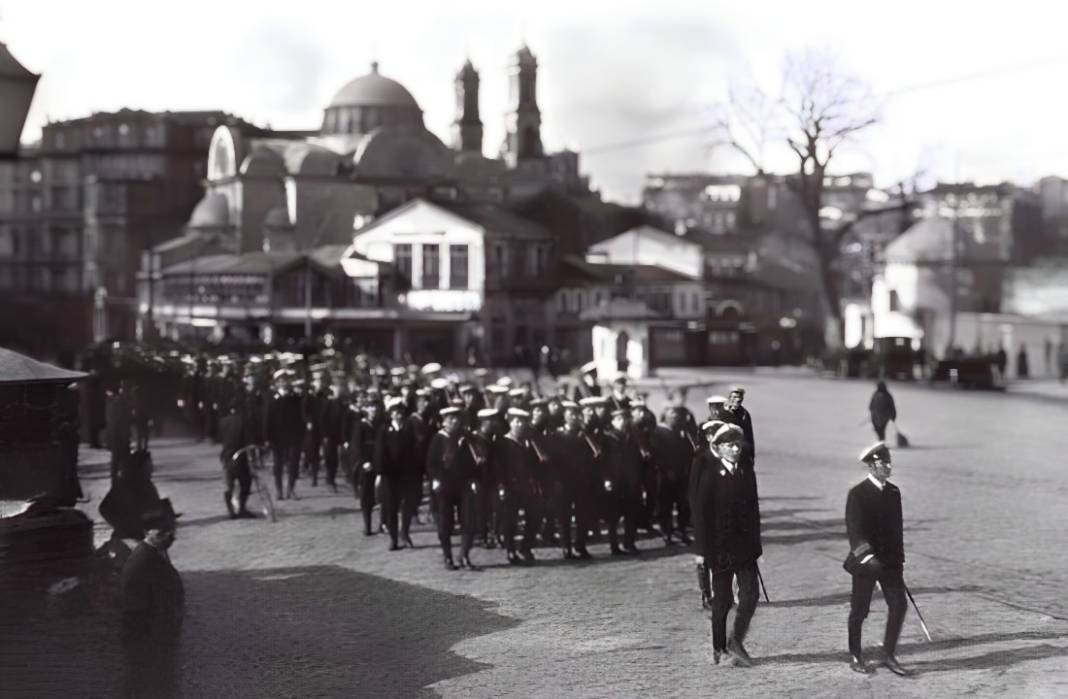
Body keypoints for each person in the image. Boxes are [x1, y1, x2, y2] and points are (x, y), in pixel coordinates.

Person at [690, 423, 762, 667]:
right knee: (723, 600)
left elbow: (754, 511)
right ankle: (718, 647)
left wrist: (756, 546)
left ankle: (736, 640)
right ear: (718, 448)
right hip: (719, 549)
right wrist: (701, 551)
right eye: (729, 445)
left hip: (745, 549)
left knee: (751, 595)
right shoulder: (710, 475)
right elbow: (701, 514)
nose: (735, 448)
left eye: (737, 444)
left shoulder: (746, 472)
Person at [844, 442, 911, 676]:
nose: (889, 467)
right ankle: (855, 655)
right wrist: (868, 556)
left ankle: (888, 654)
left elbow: (897, 530)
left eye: (889, 462)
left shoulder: (894, 492)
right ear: (872, 466)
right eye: (884, 463)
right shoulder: (858, 494)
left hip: (890, 563)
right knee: (859, 611)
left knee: (899, 605)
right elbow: (854, 531)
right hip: (867, 563)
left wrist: (898, 562)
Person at [119, 525, 184, 697]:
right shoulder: (144, 558)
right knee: (145, 676)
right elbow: (137, 600)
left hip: (152, 625)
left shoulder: (152, 552)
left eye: (170, 532)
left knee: (145, 675)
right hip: (148, 628)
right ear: (147, 533)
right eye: (162, 532)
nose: (169, 536)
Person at [425, 407, 479, 570]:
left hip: (464, 485)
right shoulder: (438, 439)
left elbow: (474, 460)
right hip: (445, 487)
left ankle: (464, 555)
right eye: (450, 419)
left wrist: (474, 478)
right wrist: (436, 479)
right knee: (445, 523)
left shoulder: (467, 438)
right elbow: (431, 464)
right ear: (443, 422)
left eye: (456, 419)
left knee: (468, 521)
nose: (454, 422)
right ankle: (447, 556)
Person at [219, 399, 255, 519]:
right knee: (245, 483)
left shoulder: (223, 421)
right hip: (240, 456)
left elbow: (221, 438)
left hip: (226, 457)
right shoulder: (244, 421)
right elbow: (248, 440)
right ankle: (242, 509)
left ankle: (230, 511)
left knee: (229, 484)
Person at [721, 387, 755, 463]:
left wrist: (751, 456)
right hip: (723, 448)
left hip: (738, 449)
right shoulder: (722, 411)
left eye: (739, 398)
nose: (736, 400)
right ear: (729, 398)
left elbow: (749, 436)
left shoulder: (744, 414)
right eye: (734, 397)